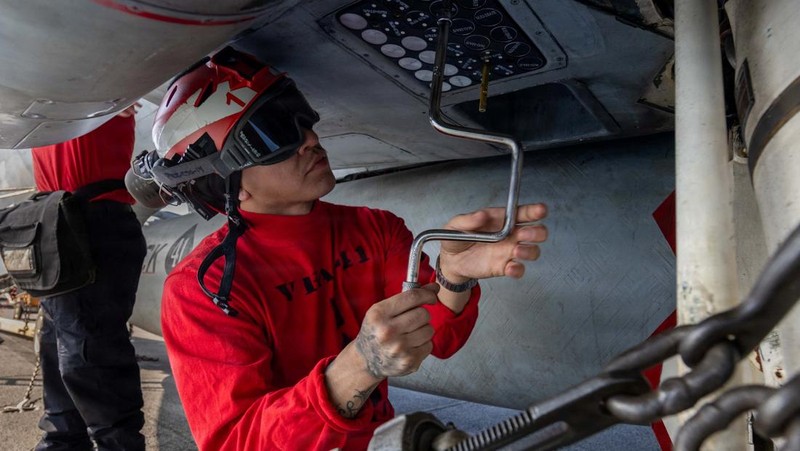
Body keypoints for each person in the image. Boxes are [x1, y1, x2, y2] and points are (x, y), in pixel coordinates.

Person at [151, 47, 548, 450]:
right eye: (274, 133)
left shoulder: (374, 228)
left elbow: (438, 338)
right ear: (226, 182)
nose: (310, 139)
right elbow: (234, 442)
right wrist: (358, 367)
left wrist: (454, 276)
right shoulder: (203, 290)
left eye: (301, 120)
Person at [31, 104, 147, 451]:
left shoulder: (97, 91)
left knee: (87, 347)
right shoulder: (44, 94)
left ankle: (113, 444)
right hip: (57, 220)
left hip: (91, 218)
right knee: (59, 344)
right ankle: (62, 441)